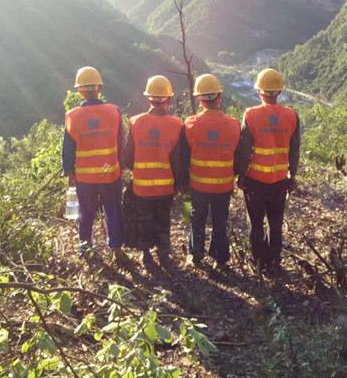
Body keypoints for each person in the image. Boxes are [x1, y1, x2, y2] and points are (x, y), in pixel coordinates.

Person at [236, 68, 301, 276]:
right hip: (280, 181)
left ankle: (258, 262)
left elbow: (245, 150)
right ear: (279, 92)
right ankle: (274, 263)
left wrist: (241, 175)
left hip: (255, 180)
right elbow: (294, 150)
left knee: (255, 224)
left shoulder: (251, 114)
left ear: (259, 92)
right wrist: (293, 176)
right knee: (275, 224)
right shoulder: (291, 115)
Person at [62, 66, 129, 265]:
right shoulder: (114, 112)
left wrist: (69, 173)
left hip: (85, 178)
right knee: (113, 211)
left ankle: (86, 249)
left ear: (80, 91)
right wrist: (121, 165)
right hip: (110, 175)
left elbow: (67, 151)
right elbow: (121, 143)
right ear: (99, 88)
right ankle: (116, 250)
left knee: (86, 214)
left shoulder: (72, 116)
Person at [121, 75, 185, 269]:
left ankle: (147, 256)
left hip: (142, 186)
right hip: (165, 187)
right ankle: (164, 256)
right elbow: (178, 161)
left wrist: (140, 171)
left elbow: (127, 157)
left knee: (144, 220)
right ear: (169, 99)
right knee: (163, 220)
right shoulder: (176, 125)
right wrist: (179, 184)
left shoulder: (135, 122)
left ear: (148, 99)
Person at [181, 74, 240, 269]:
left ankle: (196, 255)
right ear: (219, 97)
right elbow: (238, 154)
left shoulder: (190, 124)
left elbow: (184, 156)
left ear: (199, 99)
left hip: (198, 184)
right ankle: (220, 258)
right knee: (220, 220)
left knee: (197, 218)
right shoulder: (233, 124)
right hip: (223, 184)